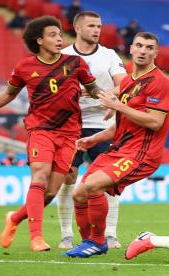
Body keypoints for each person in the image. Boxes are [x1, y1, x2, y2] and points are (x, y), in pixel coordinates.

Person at [0, 16, 101, 252]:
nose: (59, 38)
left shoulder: (76, 64)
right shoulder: (24, 67)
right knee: (39, 176)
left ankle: (14, 218)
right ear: (39, 40)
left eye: (59, 33)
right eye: (53, 34)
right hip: (40, 129)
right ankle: (36, 237)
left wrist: (113, 100)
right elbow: (7, 95)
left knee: (51, 191)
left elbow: (94, 90)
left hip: (69, 133)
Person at [61, 32, 169, 258]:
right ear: (131, 49)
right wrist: (96, 138)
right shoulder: (130, 81)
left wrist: (118, 106)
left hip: (141, 154)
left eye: (149, 48)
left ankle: (98, 241)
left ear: (155, 53)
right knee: (79, 194)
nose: (143, 51)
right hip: (119, 149)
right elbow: (122, 124)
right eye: (139, 46)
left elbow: (154, 122)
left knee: (92, 186)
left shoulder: (159, 83)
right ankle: (87, 243)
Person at [57, 11, 127, 250]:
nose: (97, 30)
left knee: (109, 179)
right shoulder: (63, 55)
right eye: (91, 26)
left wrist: (102, 95)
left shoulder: (108, 55)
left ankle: (110, 234)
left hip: (104, 123)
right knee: (68, 176)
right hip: (71, 124)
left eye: (99, 26)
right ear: (77, 29)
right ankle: (67, 234)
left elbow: (123, 85)